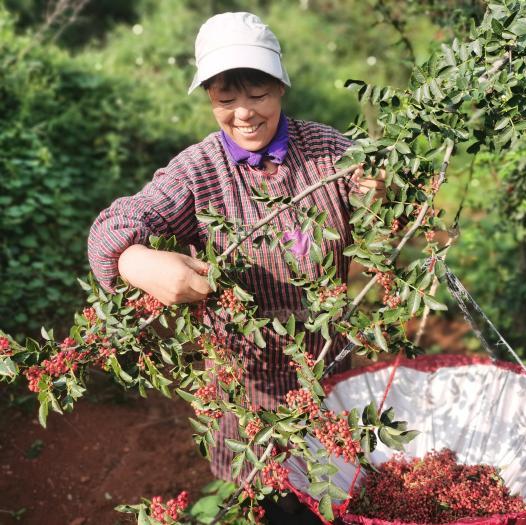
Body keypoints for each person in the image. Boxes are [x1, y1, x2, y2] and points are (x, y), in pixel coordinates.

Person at [87, 11, 384, 523]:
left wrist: (383, 194)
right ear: (209, 99)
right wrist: (136, 261)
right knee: (260, 501)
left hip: (327, 375)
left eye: (258, 94)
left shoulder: (330, 153)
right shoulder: (197, 173)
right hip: (245, 395)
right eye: (226, 98)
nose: (243, 112)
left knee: (330, 497)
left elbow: (389, 218)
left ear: (282, 89)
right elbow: (114, 225)